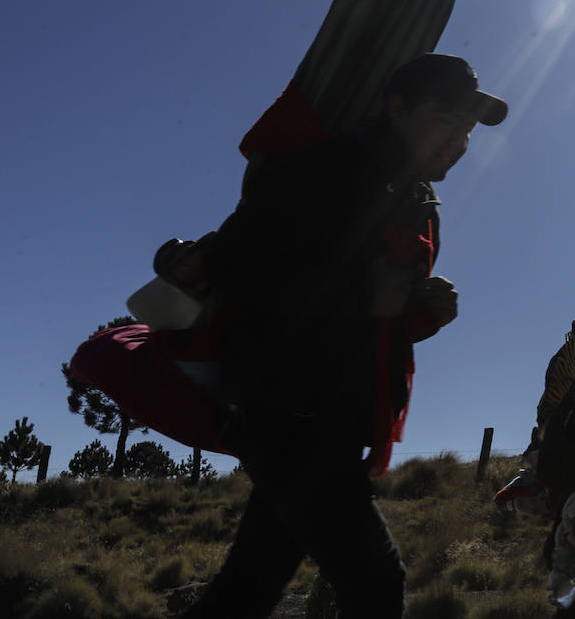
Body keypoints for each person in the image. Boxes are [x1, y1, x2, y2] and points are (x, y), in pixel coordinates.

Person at [178, 53, 507, 618]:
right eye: (447, 121)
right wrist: (368, 300)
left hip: (337, 416)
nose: (459, 141)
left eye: (468, 132)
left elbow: (382, 321)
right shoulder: (329, 169)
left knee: (248, 589)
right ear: (397, 107)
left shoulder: (419, 204)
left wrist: (420, 311)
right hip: (287, 411)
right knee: (376, 581)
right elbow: (238, 263)